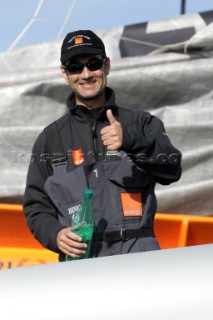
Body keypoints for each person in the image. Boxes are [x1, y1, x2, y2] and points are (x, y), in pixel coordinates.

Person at [23, 30, 182, 262]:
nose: (85, 74)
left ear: (106, 65)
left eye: (93, 63)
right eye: (75, 67)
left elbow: (172, 169)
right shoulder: (50, 139)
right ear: (64, 73)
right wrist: (55, 235)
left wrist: (131, 141)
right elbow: (36, 207)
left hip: (139, 261)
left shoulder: (140, 123)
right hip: (80, 264)